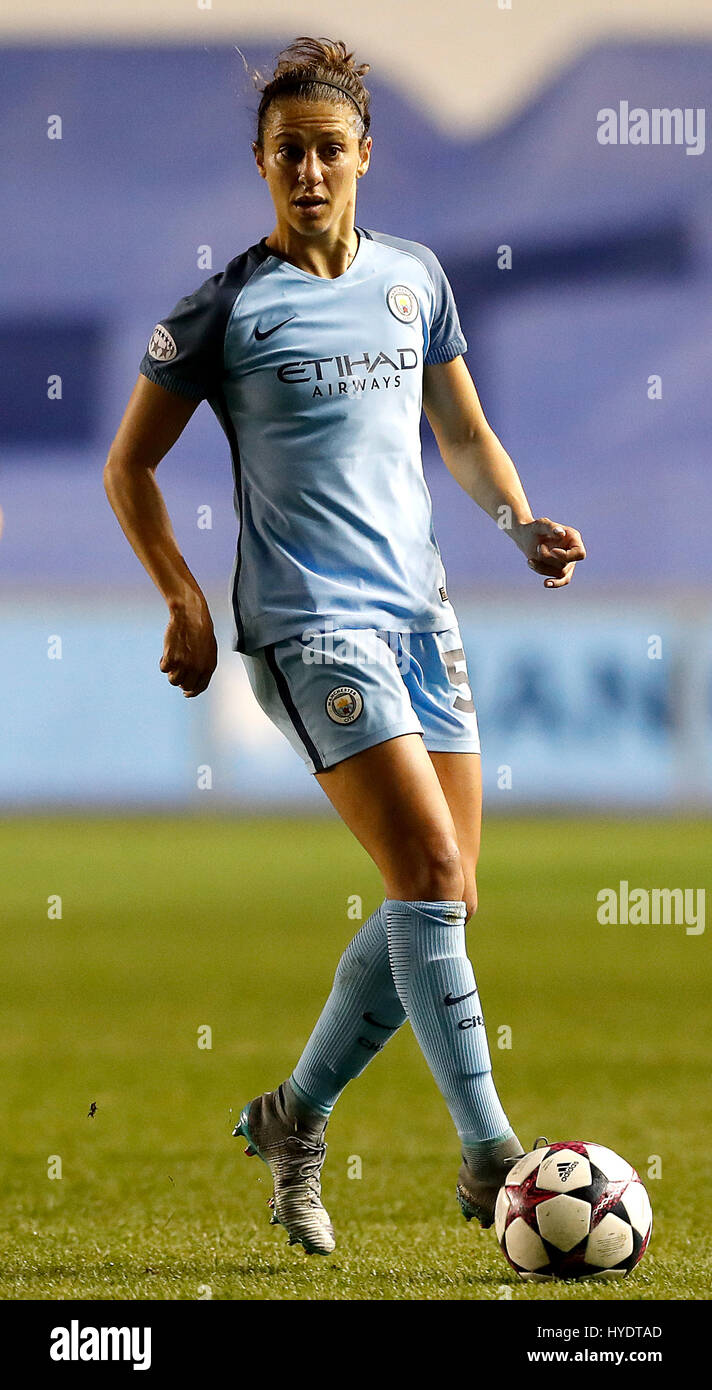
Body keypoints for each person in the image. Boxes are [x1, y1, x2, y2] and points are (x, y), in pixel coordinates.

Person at [104, 36, 586, 1258]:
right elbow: (130, 467)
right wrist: (182, 597)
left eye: (328, 149)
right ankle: (491, 1156)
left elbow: (463, 434)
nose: (308, 171)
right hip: (307, 622)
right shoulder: (225, 308)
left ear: (365, 155)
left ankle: (291, 1116)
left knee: (445, 895)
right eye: (287, 154)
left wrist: (518, 521)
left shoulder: (415, 279)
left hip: (421, 618)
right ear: (261, 166)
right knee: (428, 875)